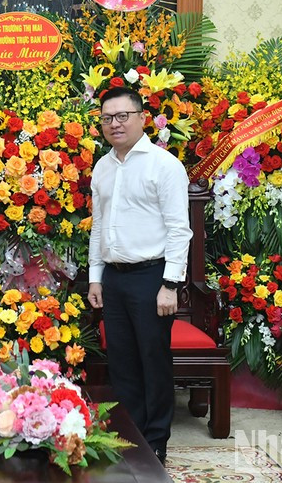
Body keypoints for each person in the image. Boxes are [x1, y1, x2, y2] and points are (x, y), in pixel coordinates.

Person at [87, 87, 192, 465]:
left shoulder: (163, 166)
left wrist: (170, 285)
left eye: (122, 116)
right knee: (123, 362)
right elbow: (98, 227)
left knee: (153, 360)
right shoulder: (102, 166)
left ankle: (156, 440)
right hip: (114, 279)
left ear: (142, 117)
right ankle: (128, 433)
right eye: (106, 118)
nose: (114, 124)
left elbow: (180, 230)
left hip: (152, 278)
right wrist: (95, 278)